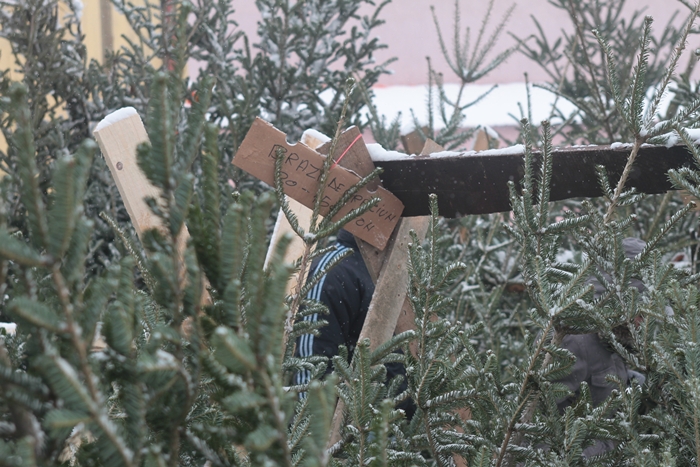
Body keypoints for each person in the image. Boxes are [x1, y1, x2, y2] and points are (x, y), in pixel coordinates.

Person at [294, 229, 414, 417]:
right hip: (355, 429)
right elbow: (312, 370)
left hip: (400, 426)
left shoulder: (402, 268)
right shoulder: (334, 270)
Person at [555, 237, 647, 456]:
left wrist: (628, 382)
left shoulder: (615, 333)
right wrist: (600, 453)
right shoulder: (572, 339)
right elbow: (538, 424)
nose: (644, 322)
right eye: (640, 311)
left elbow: (596, 378)